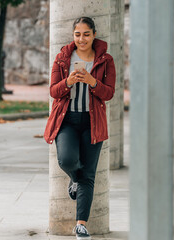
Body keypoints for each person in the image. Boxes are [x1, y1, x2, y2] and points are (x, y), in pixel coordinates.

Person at [44, 17, 116, 240]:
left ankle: (81, 224)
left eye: (86, 34)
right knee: (66, 160)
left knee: (89, 174)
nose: (81, 39)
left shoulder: (105, 60)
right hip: (67, 121)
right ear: (73, 35)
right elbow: (54, 91)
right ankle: (73, 179)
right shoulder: (63, 58)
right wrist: (68, 82)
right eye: (77, 34)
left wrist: (92, 82)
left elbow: (109, 93)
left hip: (92, 122)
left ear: (94, 35)